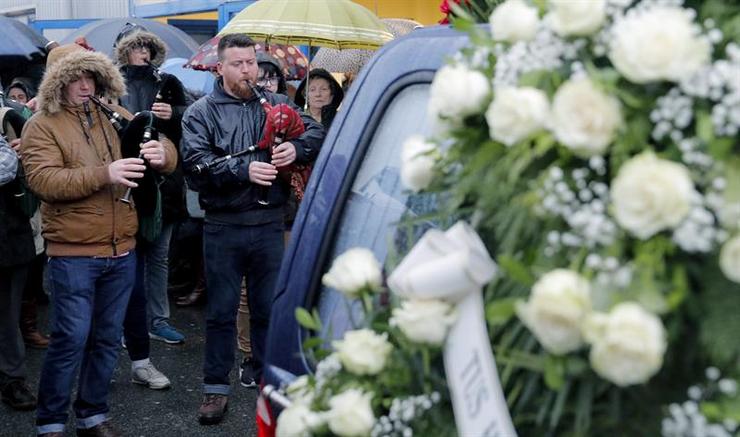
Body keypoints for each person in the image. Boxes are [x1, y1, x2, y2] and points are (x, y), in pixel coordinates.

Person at [20, 42, 177, 436]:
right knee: (70, 340)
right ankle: (51, 422)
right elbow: (43, 181)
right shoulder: (40, 124)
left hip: (122, 249)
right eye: (76, 77)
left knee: (107, 340)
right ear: (58, 82)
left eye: (91, 76)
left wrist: (163, 153)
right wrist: (104, 174)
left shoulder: (112, 114)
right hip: (73, 253)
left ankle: (92, 415)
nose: (85, 85)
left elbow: (161, 144)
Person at [181, 34, 324, 425]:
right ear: (220, 67)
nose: (249, 70)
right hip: (224, 225)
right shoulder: (202, 112)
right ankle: (215, 388)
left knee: (267, 309)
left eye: (251, 62)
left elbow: (315, 133)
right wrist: (243, 169)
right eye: (239, 63)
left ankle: (267, 382)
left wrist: (297, 148)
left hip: (268, 223)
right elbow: (194, 166)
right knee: (221, 313)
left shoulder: (276, 103)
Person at [114, 26, 188, 391]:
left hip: (166, 182)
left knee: (158, 257)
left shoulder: (168, 80)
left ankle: (158, 320)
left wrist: (172, 112)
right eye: (135, 47)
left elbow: (187, 125)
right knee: (130, 261)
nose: (141, 53)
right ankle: (129, 325)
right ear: (124, 51)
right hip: (128, 182)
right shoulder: (111, 84)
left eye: (146, 47)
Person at [0, 134, 37, 412]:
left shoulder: (9, 121)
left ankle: (12, 379)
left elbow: (9, 167)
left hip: (10, 237)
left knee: (8, 315)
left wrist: (21, 153)